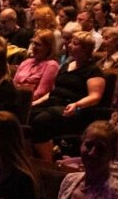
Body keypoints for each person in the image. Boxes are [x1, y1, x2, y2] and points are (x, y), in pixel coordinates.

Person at [29, 33, 105, 162]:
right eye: (70, 42)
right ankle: (31, 158)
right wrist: (35, 102)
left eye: (75, 44)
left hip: (73, 108)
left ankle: (47, 161)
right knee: (27, 116)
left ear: (86, 49)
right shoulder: (65, 66)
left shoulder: (93, 70)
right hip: (53, 103)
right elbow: (54, 91)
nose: (69, 45)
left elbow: (95, 96)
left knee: (40, 121)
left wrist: (77, 105)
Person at [13, 30, 59, 104]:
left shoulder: (51, 65)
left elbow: (41, 92)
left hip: (32, 103)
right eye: (33, 43)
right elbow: (13, 83)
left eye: (38, 45)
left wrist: (20, 101)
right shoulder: (26, 62)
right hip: (15, 99)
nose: (34, 47)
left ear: (48, 47)